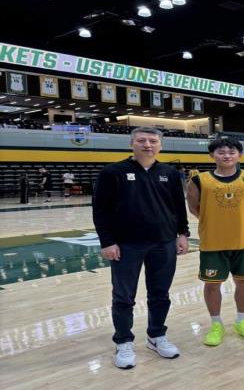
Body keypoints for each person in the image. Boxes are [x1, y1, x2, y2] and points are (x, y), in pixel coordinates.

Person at [92, 126, 189, 369]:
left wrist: (183, 233)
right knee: (123, 297)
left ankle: (156, 336)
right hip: (126, 245)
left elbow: (179, 206)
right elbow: (100, 210)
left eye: (153, 141)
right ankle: (124, 341)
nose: (148, 145)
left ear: (160, 145)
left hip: (163, 243)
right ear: (131, 144)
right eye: (142, 140)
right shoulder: (113, 172)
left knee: (160, 294)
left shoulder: (170, 173)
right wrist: (107, 241)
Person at [186, 138, 244, 346]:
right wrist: (215, 220)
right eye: (221, 152)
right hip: (213, 242)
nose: (227, 156)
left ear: (240, 155)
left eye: (232, 152)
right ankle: (216, 325)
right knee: (212, 284)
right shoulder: (199, 180)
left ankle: (242, 322)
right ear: (212, 155)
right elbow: (194, 208)